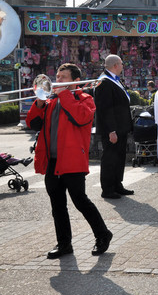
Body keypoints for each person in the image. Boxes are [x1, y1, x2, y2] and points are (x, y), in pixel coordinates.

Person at [26, 63, 112, 259]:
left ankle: (102, 234)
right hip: (52, 161)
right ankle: (64, 244)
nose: (57, 79)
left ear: (75, 81)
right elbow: (33, 123)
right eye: (57, 75)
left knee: (80, 201)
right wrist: (39, 102)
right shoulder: (50, 101)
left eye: (63, 76)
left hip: (72, 160)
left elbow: (80, 117)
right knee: (57, 205)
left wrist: (64, 94)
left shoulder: (85, 99)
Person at [95, 54, 134, 199]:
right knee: (110, 158)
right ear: (115, 65)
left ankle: (117, 184)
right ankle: (108, 189)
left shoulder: (114, 80)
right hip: (112, 129)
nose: (123, 66)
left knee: (119, 157)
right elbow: (105, 109)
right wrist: (111, 130)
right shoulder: (104, 81)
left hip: (121, 127)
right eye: (122, 64)